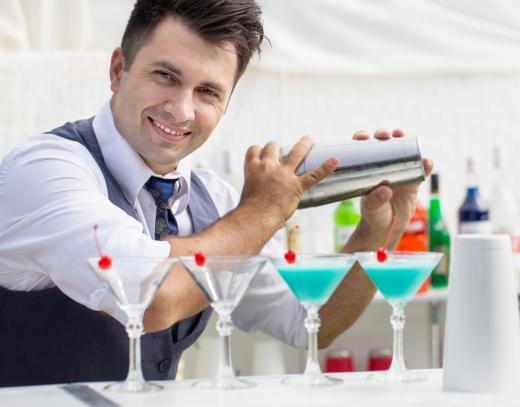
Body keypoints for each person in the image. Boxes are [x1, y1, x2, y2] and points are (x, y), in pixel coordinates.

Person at [0, 0, 432, 387]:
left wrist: (378, 227)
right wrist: (266, 210)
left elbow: (309, 322)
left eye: (207, 91)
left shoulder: (216, 201)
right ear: (118, 70)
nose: (182, 109)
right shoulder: (45, 170)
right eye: (165, 75)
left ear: (226, 104)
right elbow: (149, 300)